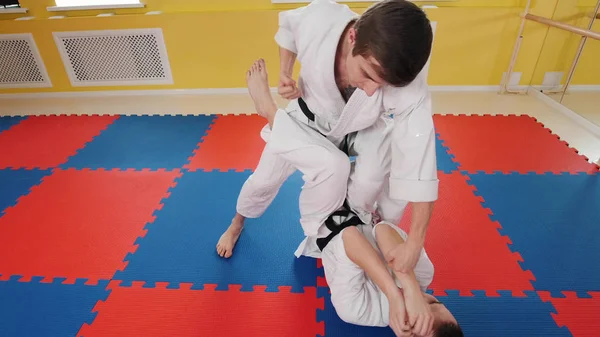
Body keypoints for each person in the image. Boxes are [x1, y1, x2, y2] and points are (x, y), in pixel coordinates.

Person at [216, 0, 438, 277]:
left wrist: (415, 242)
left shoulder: (407, 83)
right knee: (264, 180)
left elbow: (419, 155)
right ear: (353, 36)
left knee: (372, 175)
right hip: (306, 118)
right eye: (368, 75)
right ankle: (237, 223)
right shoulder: (322, 18)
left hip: (359, 127)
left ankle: (346, 233)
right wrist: (285, 72)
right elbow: (289, 27)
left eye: (382, 85)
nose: (371, 91)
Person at [320, 204, 462, 336]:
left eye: (419, 319)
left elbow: (349, 235)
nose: (421, 301)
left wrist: (393, 294)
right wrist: (410, 287)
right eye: (433, 302)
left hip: (327, 214)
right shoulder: (423, 276)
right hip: (368, 207)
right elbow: (383, 229)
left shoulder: (358, 311)